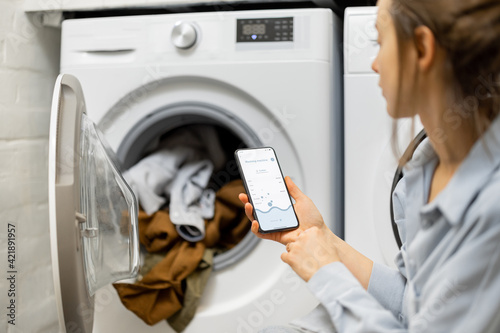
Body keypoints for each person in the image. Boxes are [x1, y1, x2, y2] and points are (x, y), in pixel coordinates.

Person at [239, 0, 500, 331]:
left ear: (421, 48)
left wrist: (326, 272)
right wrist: (321, 239)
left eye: (379, 43)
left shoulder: (491, 206)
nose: (374, 64)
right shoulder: (421, 174)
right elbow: (414, 304)